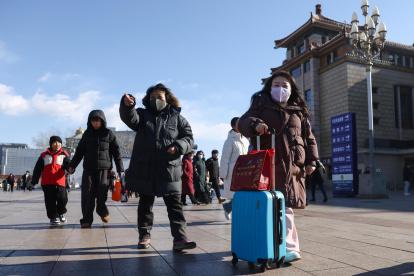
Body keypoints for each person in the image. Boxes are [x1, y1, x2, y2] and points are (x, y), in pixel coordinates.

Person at [238, 70, 319, 263]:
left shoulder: (298, 111)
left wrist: (312, 160)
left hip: (292, 167)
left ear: (291, 90)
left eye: (285, 85)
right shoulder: (260, 104)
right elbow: (243, 122)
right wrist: (255, 125)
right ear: (269, 88)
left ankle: (289, 247)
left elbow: (308, 138)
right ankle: (264, 244)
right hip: (266, 166)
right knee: (265, 206)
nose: (280, 88)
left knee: (286, 207)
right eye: (276, 85)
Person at [119, 83, 196, 251]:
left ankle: (180, 239)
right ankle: (144, 235)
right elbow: (130, 118)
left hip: (170, 169)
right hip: (146, 169)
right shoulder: (142, 114)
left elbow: (189, 139)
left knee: (175, 207)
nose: (156, 101)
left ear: (167, 99)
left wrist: (178, 146)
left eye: (159, 98)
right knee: (145, 206)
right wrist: (128, 106)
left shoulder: (178, 118)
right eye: (152, 98)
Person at [68, 110, 124, 228]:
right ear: (90, 121)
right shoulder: (87, 134)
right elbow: (79, 152)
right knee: (87, 195)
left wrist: (121, 169)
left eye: (98, 120)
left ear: (102, 121)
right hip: (88, 169)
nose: (95, 123)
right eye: (93, 121)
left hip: (104, 170)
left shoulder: (109, 134)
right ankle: (87, 220)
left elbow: (117, 153)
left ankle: (102, 210)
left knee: (101, 194)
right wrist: (72, 166)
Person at [31, 136, 71, 226]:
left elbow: (69, 165)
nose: (57, 145)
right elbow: (37, 169)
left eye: (59, 143)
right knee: (50, 201)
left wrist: (71, 169)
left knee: (63, 199)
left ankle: (61, 212)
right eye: (54, 143)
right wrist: (34, 181)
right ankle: (53, 217)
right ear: (51, 144)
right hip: (47, 183)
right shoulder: (44, 155)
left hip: (60, 182)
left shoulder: (64, 155)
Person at [220, 117, 250, 220]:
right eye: (238, 124)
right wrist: (223, 175)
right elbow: (224, 159)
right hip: (233, 172)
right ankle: (229, 208)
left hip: (245, 171)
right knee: (237, 196)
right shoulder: (229, 141)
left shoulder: (246, 140)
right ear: (233, 126)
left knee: (242, 195)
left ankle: (227, 207)